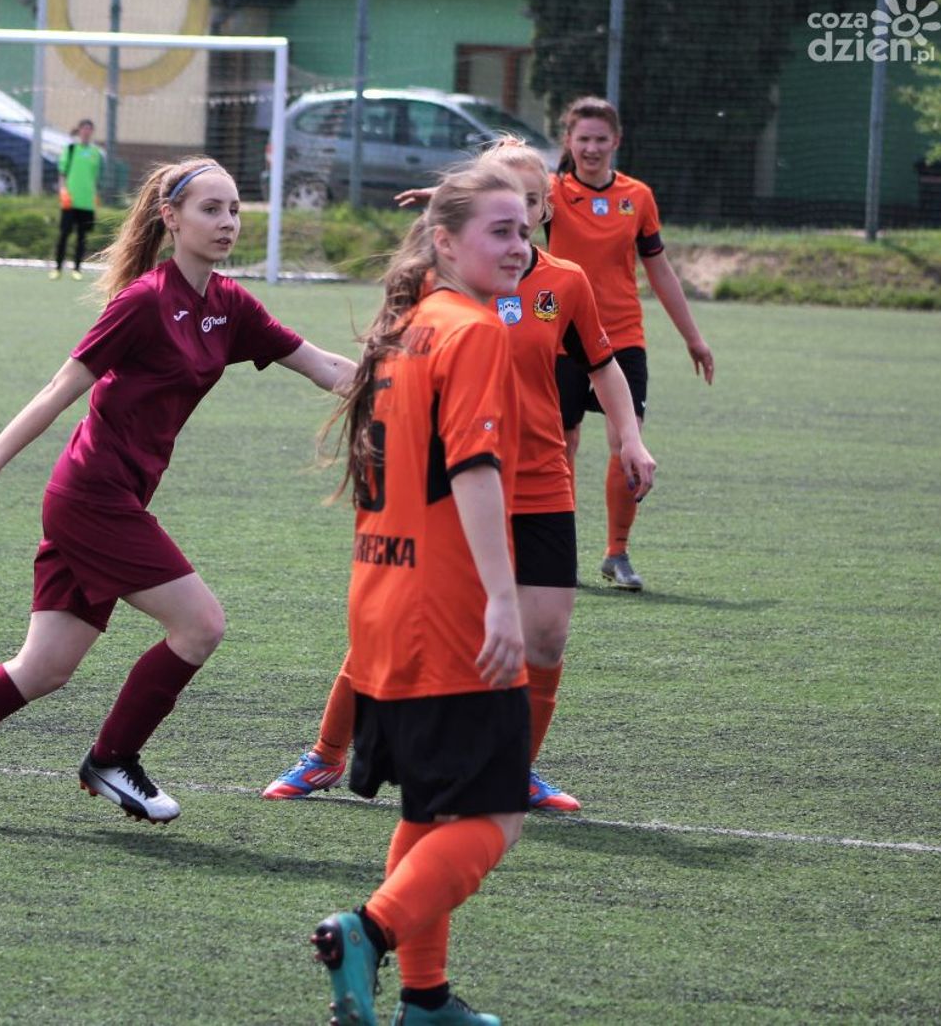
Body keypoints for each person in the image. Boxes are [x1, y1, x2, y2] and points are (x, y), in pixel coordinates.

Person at [0, 157, 356, 827]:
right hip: (93, 498)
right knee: (201, 624)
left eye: (235, 209)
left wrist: (416, 384)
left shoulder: (229, 306)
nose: (228, 222)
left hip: (113, 499)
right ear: (170, 218)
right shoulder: (145, 301)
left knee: (43, 668)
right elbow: (60, 389)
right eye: (211, 209)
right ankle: (113, 759)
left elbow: (325, 367)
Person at [264, 140, 657, 817]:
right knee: (398, 628)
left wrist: (631, 437)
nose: (520, 227)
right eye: (504, 213)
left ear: (546, 208)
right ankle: (327, 753)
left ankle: (514, 769)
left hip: (539, 479)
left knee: (545, 638)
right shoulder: (440, 288)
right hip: (452, 485)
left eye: (530, 207)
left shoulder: (565, 283)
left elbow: (603, 364)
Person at [308, 163, 532, 1026]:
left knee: (432, 810)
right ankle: (367, 930)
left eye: (525, 229)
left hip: (381, 603)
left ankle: (427, 1001)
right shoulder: (473, 331)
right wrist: (502, 599)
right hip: (447, 613)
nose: (519, 246)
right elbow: (473, 469)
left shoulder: (405, 326)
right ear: (444, 241)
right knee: (497, 815)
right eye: (500, 230)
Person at [546, 95, 712, 591]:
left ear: (616, 141)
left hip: (622, 339)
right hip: (561, 337)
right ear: (569, 141)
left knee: (626, 443)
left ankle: (616, 552)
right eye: (583, 139)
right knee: (562, 444)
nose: (591, 148)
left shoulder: (637, 196)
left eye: (601, 139)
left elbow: (659, 271)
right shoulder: (551, 192)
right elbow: (496, 202)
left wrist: (693, 338)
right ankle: (558, 552)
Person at [50, 119, 102, 281]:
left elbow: (94, 177)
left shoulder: (95, 153)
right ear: (79, 130)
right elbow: (62, 172)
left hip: (86, 202)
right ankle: (58, 268)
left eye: (89, 129)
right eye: (84, 128)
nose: (86, 131)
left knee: (82, 237)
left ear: (92, 132)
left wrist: (94, 196)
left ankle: (77, 269)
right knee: (64, 234)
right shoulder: (71, 149)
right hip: (70, 201)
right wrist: (63, 190)